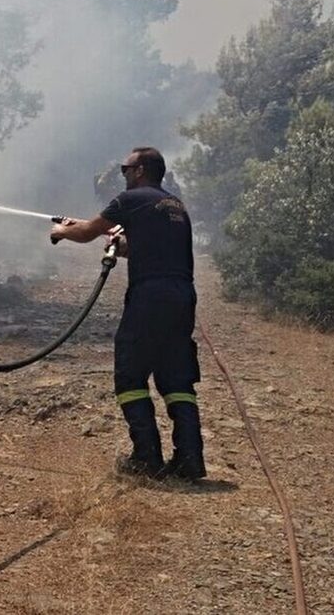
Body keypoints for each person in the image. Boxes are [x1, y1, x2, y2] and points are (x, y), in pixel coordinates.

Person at [51, 146, 205, 480]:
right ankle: (190, 459)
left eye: (125, 169)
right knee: (177, 378)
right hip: (181, 297)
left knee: (130, 375)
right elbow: (142, 248)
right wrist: (117, 245)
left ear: (139, 171)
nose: (123, 174)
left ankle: (146, 458)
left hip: (149, 296)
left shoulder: (131, 200)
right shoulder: (174, 205)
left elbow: (87, 231)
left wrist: (63, 231)